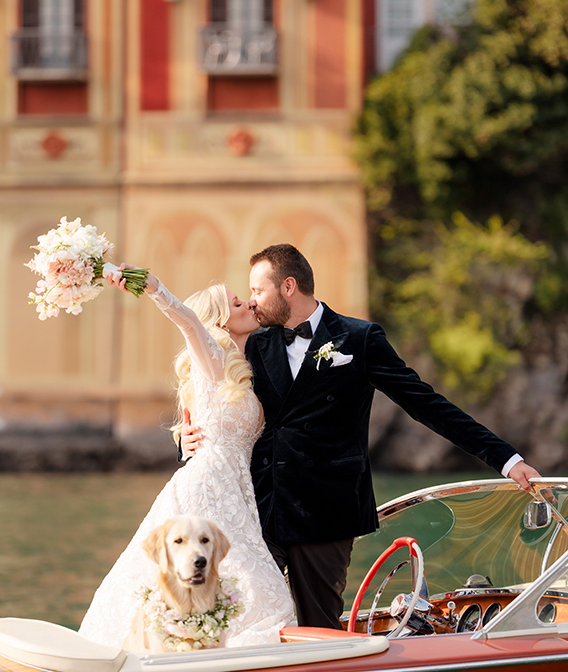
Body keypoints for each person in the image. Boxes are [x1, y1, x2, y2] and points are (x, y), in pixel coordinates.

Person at [183, 244, 540, 630]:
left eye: (257, 290)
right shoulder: (253, 343)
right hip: (258, 509)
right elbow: (213, 400)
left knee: (320, 626)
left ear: (288, 286)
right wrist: (186, 440)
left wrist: (507, 459)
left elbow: (428, 405)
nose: (251, 302)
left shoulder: (359, 338)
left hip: (326, 512)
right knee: (239, 616)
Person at [79, 267, 294, 649]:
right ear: (220, 320)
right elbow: (189, 323)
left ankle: (203, 647)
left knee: (240, 581)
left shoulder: (239, 370)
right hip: (206, 488)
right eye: (236, 302)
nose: (248, 303)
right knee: (257, 585)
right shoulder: (210, 358)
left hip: (237, 491)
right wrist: (155, 287)